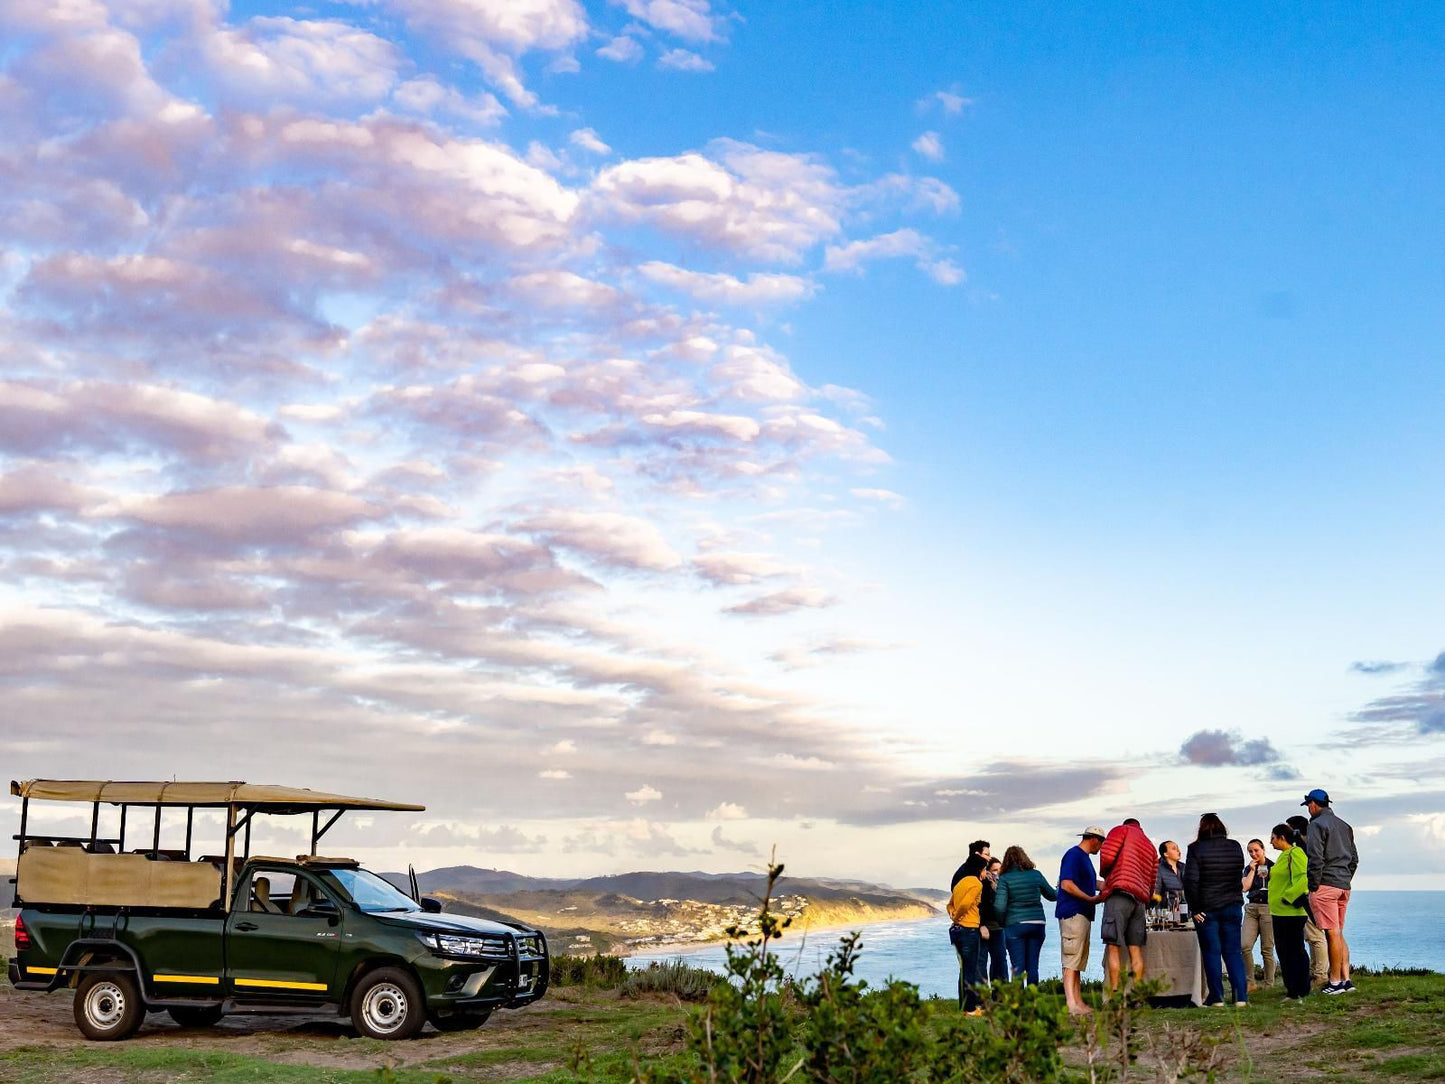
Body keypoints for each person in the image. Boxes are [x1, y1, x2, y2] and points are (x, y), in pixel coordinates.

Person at [1183, 812, 1248, 1007]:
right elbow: (1238, 873)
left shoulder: (1195, 849)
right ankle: (1241, 997)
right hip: (1233, 905)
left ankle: (1217, 998)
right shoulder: (1235, 846)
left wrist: (1195, 908)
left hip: (1207, 910)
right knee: (1233, 952)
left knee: (1212, 953)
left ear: (1202, 828)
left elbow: (1191, 880)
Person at [1303, 788, 1359, 994]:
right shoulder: (1345, 826)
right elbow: (1354, 859)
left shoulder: (1316, 825)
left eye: (1308, 805)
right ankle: (1346, 980)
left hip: (1325, 885)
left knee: (1331, 933)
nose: (1309, 809)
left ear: (1313, 804)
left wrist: (1313, 886)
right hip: (1343, 885)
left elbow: (1315, 858)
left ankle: (1334, 982)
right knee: (1338, 932)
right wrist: (1344, 879)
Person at [1098, 818, 1155, 993]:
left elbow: (1107, 855)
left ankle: (1114, 992)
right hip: (1140, 900)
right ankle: (1137, 994)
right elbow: (1153, 879)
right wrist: (1147, 896)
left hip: (1119, 893)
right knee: (1135, 949)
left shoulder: (1121, 830)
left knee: (1113, 945)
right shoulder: (1150, 846)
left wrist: (1106, 874)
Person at [1056, 826, 1106, 1016]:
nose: (1101, 848)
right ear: (1094, 839)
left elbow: (1092, 883)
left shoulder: (1084, 859)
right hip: (1073, 912)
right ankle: (1071, 1003)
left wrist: (1110, 885)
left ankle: (1078, 1000)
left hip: (1083, 913)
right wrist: (1089, 898)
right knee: (1071, 959)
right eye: (1101, 843)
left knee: (1077, 959)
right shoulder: (1074, 855)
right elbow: (1066, 884)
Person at [994, 845, 1057, 985]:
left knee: (1018, 968)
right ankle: (1033, 1002)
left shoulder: (1005, 879)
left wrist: (1002, 923)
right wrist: (1061, 888)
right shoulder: (1036, 875)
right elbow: (1052, 896)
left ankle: (1020, 1004)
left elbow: (999, 906)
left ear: (1006, 861)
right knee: (1033, 967)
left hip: (1015, 925)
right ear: (1024, 858)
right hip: (1037, 925)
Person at [1268, 822, 1312, 1000]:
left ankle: (1300, 989)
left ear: (1282, 838)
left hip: (1291, 913)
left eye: (1273, 838)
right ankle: (1291, 988)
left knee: (1295, 951)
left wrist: (1288, 896)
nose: (1271, 842)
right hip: (1278, 912)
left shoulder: (1296, 853)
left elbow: (1303, 878)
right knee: (1283, 952)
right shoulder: (1283, 856)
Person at [1287, 814, 1329, 985]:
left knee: (1315, 935)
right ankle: (1317, 971)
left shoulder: (1304, 848)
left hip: (1309, 894)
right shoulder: (1309, 846)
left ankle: (1320, 974)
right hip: (1311, 893)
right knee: (1312, 936)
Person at [947, 852, 988, 1014]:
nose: (986, 873)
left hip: (958, 931)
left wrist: (953, 915)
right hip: (969, 929)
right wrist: (958, 917)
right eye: (985, 870)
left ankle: (964, 1007)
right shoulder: (976, 884)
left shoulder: (960, 883)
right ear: (980, 869)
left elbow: (949, 904)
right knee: (971, 969)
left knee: (964, 969)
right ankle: (971, 1009)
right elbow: (965, 904)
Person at [1240, 838, 1276, 991]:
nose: (1253, 854)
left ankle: (1269, 984)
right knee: (1245, 945)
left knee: (1267, 949)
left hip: (1268, 908)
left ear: (1263, 849)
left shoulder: (1273, 866)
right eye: (1250, 851)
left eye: (1256, 850)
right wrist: (1253, 870)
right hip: (1252, 908)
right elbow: (1244, 888)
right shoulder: (1249, 869)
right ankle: (1250, 982)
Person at [981, 857, 1009, 983]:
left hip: (999, 928)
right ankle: (981, 996)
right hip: (985, 928)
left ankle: (1001, 995)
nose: (998, 872)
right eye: (995, 870)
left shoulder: (1003, 884)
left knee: (1000, 961)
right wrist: (981, 924)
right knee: (981, 962)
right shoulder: (984, 883)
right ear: (988, 871)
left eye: (1000, 869)